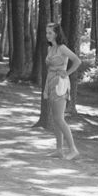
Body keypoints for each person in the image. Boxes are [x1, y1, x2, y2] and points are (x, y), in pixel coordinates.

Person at [42, 22, 82, 161]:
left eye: (50, 33)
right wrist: (47, 86)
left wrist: (67, 72)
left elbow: (77, 61)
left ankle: (73, 149)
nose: (47, 35)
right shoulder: (50, 49)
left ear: (57, 34)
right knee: (55, 119)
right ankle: (59, 150)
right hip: (51, 82)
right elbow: (50, 69)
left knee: (59, 118)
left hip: (60, 84)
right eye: (47, 32)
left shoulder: (62, 48)